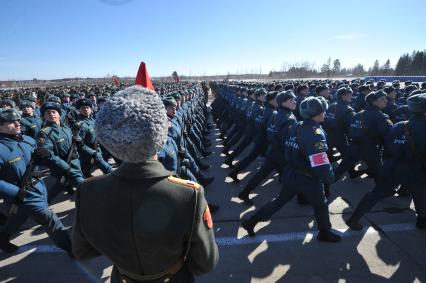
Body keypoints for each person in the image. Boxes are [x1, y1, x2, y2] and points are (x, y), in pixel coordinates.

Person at [72, 86, 219, 283]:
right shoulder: (188, 194)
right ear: (160, 135)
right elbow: (206, 262)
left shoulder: (88, 191)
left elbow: (82, 250)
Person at [241, 96, 341, 242]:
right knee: (321, 204)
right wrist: (329, 177)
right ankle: (324, 232)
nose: (325, 114)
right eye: (323, 111)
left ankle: (251, 221)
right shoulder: (315, 134)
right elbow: (319, 162)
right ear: (316, 113)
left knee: (278, 202)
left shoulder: (297, 125)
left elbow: (287, 149)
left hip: (292, 173)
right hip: (309, 178)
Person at [346, 93, 426, 230]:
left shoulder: (399, 126)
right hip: (416, 170)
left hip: (392, 166)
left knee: (375, 193)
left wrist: (387, 164)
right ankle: (422, 221)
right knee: (420, 195)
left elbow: (387, 147)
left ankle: (354, 218)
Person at [0, 108, 72, 254]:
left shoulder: (28, 140)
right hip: (20, 193)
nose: (17, 123)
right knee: (49, 218)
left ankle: (2, 236)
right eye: (11, 122)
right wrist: (17, 193)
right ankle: (71, 248)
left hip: (39, 186)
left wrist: (46, 157)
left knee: (20, 217)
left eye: (18, 120)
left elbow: (38, 161)